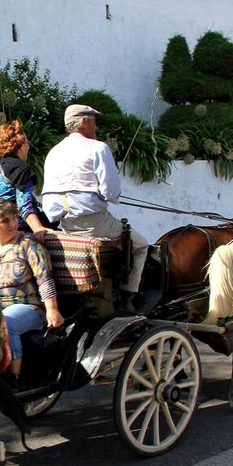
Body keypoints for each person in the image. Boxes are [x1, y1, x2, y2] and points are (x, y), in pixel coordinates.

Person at [40, 104, 149, 312]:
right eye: (94, 122)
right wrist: (111, 196)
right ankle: (127, 296)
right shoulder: (98, 147)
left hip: (66, 225)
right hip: (95, 224)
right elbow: (111, 192)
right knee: (141, 244)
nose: (96, 128)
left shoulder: (53, 152)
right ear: (84, 122)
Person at [0, 198, 64, 385]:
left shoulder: (28, 245)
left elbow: (44, 278)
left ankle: (14, 377)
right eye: (5, 220)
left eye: (14, 218)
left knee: (5, 321)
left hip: (26, 307)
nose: (13, 223)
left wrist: (52, 309)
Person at [0, 120, 53, 234]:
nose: (28, 146)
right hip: (17, 230)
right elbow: (24, 204)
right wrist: (38, 228)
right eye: (27, 142)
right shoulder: (21, 169)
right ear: (21, 145)